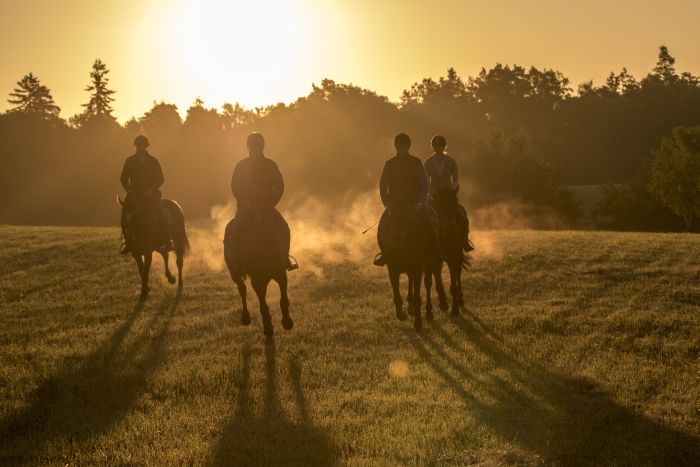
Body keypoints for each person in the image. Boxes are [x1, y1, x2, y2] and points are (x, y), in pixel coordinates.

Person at [227, 132, 297, 272]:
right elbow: (235, 186)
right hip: (246, 208)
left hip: (266, 207)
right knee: (235, 231)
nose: (254, 149)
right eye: (252, 146)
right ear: (248, 147)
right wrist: (243, 202)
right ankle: (237, 263)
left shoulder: (270, 165)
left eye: (257, 146)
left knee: (284, 229)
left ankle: (284, 259)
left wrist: (272, 203)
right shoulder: (241, 166)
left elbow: (279, 185)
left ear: (262, 147)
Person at [374, 133, 438, 266]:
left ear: (408, 147)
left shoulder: (416, 162)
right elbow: (382, 187)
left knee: (429, 224)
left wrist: (420, 203)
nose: (402, 150)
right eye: (399, 147)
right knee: (382, 227)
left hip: (414, 204)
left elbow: (424, 184)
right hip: (395, 206)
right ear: (396, 147)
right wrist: (388, 204)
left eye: (404, 147)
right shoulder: (389, 164)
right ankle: (385, 254)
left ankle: (433, 252)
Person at [119, 135, 171, 254]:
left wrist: (152, 189)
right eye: (138, 146)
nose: (140, 148)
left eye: (142, 146)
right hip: (134, 195)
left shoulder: (153, 161)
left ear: (146, 146)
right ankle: (128, 242)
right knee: (125, 214)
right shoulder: (129, 161)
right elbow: (123, 178)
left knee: (161, 213)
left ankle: (167, 241)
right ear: (135, 146)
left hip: (151, 195)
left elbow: (160, 179)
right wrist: (128, 189)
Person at [424, 135, 472, 251]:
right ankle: (424, 243)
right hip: (434, 195)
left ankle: (465, 241)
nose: (438, 148)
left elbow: (455, 179)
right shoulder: (428, 162)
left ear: (444, 146)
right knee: (423, 216)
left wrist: (453, 189)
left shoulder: (451, 162)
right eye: (435, 146)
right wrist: (431, 190)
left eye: (440, 146)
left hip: (448, 195)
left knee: (461, 213)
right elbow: (426, 181)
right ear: (432, 147)